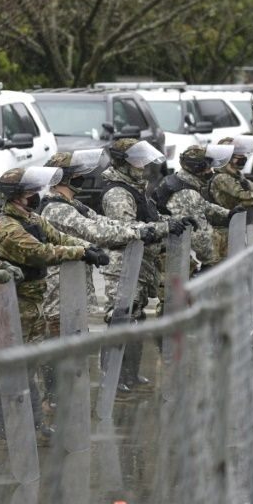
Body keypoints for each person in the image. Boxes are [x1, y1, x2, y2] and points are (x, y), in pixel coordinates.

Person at [0, 166, 108, 440]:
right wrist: (80, 251)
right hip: (11, 302)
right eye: (30, 191)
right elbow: (40, 252)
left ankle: (33, 422)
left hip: (33, 300)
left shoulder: (32, 219)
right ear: (17, 195)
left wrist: (87, 249)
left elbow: (57, 237)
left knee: (31, 363)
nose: (35, 195)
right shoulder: (7, 227)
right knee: (1, 363)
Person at [39, 149, 164, 404]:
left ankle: (67, 396)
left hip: (72, 287)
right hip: (57, 289)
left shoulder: (73, 205)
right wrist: (142, 233)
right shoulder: (55, 209)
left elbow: (107, 223)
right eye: (77, 175)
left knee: (74, 338)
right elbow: (96, 231)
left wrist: (150, 228)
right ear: (64, 178)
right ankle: (54, 399)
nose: (83, 178)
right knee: (58, 338)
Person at [99, 138, 195, 391]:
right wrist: (164, 227)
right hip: (124, 266)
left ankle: (130, 374)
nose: (142, 166)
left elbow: (148, 217)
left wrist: (172, 220)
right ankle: (114, 379)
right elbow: (125, 228)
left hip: (140, 265)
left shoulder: (134, 187)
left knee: (137, 317)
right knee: (121, 318)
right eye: (137, 161)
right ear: (122, 163)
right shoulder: (118, 192)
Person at [153, 144, 242, 269]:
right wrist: (213, 262)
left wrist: (227, 213)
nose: (210, 171)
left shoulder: (180, 179)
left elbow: (203, 205)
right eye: (207, 167)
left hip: (170, 245)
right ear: (197, 167)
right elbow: (201, 238)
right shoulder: (187, 193)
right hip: (168, 256)